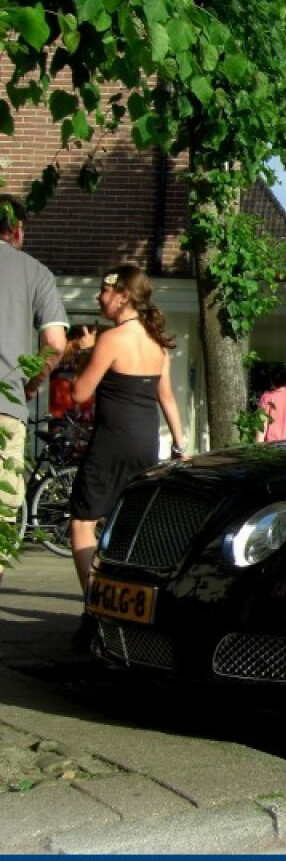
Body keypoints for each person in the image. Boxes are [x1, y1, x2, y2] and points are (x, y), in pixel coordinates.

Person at [68, 265, 186, 622]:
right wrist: (181, 446)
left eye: (104, 292)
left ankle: (96, 605)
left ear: (122, 296)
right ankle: (131, 609)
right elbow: (167, 398)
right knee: (128, 529)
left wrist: (84, 352)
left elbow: (78, 393)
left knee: (82, 523)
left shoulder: (111, 339)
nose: (98, 298)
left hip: (110, 442)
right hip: (146, 444)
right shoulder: (156, 341)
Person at [0, 194, 69, 587]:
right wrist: (30, 384)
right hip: (5, 409)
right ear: (19, 229)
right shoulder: (35, 273)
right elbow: (56, 344)